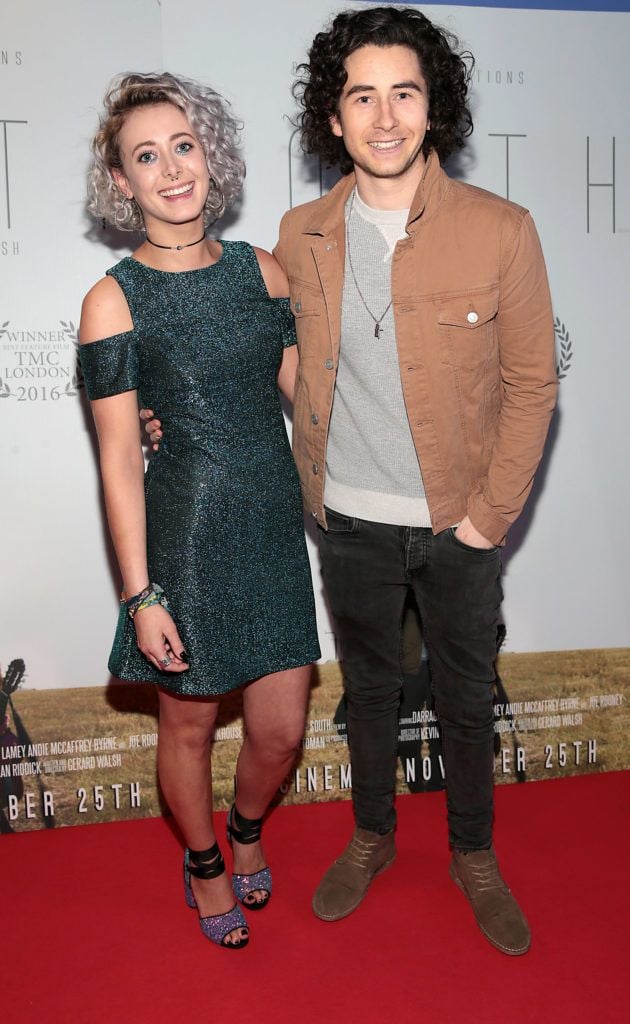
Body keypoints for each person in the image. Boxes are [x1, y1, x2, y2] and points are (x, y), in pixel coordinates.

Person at [144, 5, 558, 956]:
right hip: (349, 519)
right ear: (334, 116)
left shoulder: (501, 230)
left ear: (432, 109)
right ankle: (371, 836)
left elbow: (535, 383)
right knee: (369, 691)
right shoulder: (301, 234)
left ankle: (474, 855)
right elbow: (251, 350)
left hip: (462, 524)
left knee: (463, 696)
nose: (383, 116)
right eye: (361, 94)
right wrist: (164, 406)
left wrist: (489, 522)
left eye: (403, 93)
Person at [80, 72, 320, 950]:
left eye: (183, 145)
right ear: (122, 184)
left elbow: (303, 396)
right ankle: (207, 861)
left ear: (209, 155)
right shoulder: (112, 300)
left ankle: (248, 825)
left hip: (269, 530)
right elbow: (116, 463)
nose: (171, 168)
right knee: (187, 725)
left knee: (281, 729)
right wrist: (141, 596)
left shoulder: (263, 271)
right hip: (184, 536)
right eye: (147, 155)